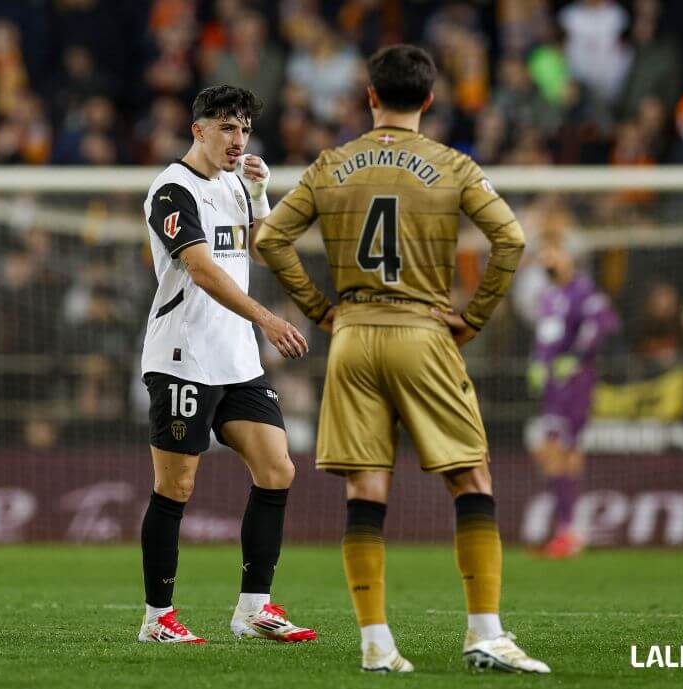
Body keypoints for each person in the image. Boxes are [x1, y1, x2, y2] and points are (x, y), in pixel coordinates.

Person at [256, 44, 549, 674]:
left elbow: (270, 237)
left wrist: (321, 310)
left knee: (366, 488)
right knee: (471, 478)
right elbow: (512, 237)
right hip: (422, 331)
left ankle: (376, 644)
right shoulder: (452, 164)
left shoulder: (331, 164)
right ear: (430, 99)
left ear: (369, 97)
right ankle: (485, 634)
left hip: (354, 336)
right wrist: (473, 317)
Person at [137, 85, 316, 645]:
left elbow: (257, 251)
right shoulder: (172, 189)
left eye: (243, 130)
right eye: (226, 129)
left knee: (278, 469)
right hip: (182, 356)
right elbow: (204, 269)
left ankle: (254, 608)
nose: (238, 141)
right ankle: (156, 618)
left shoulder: (238, 184)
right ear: (199, 130)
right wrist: (268, 319)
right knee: (177, 486)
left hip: (236, 360)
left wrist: (261, 197)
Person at [527, 239, 619, 558]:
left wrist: (577, 357)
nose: (547, 258)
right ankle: (566, 529)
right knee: (551, 451)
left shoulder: (584, 291)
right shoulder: (549, 296)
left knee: (562, 450)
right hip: (553, 384)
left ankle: (568, 530)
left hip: (575, 382)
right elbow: (544, 336)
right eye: (543, 253)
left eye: (552, 251)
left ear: (569, 256)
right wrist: (537, 362)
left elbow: (602, 325)